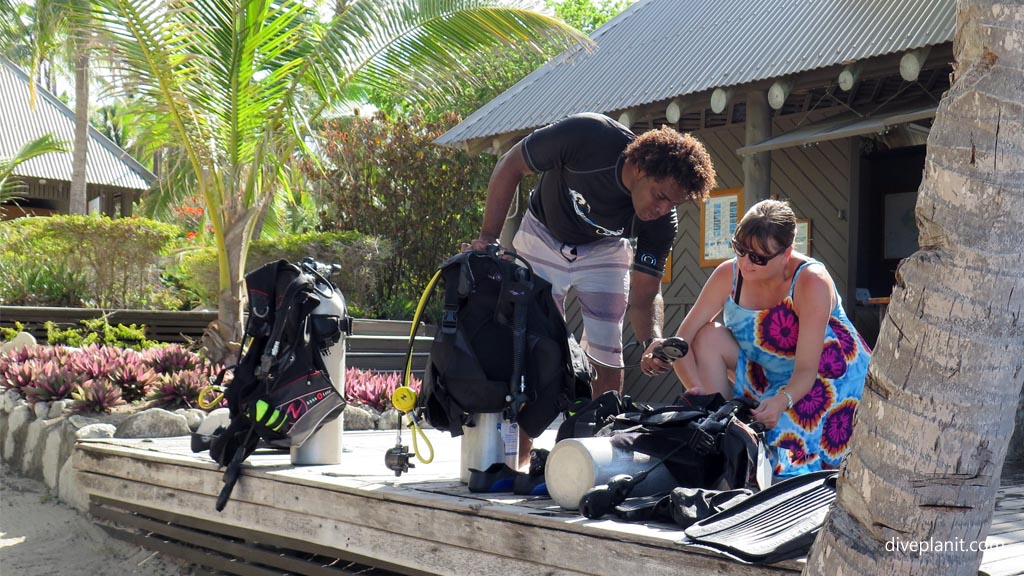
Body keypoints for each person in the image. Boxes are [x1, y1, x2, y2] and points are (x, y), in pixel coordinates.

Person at [468, 112, 717, 398]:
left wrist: (652, 340)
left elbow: (645, 293)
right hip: (544, 233)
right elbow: (511, 165)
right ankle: (525, 443)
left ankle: (600, 434)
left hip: (605, 249)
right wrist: (488, 238)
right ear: (639, 169)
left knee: (608, 353)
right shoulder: (589, 135)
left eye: (674, 202)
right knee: (536, 345)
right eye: (660, 196)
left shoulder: (662, 222)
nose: (663, 209)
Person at [642, 199, 870, 478]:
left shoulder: (811, 281)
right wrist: (690, 384)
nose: (746, 263)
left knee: (794, 474)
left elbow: (806, 370)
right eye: (739, 249)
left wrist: (782, 400)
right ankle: (721, 430)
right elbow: (684, 340)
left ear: (786, 253)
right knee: (706, 336)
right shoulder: (730, 273)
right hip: (768, 374)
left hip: (828, 382)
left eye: (759, 258)